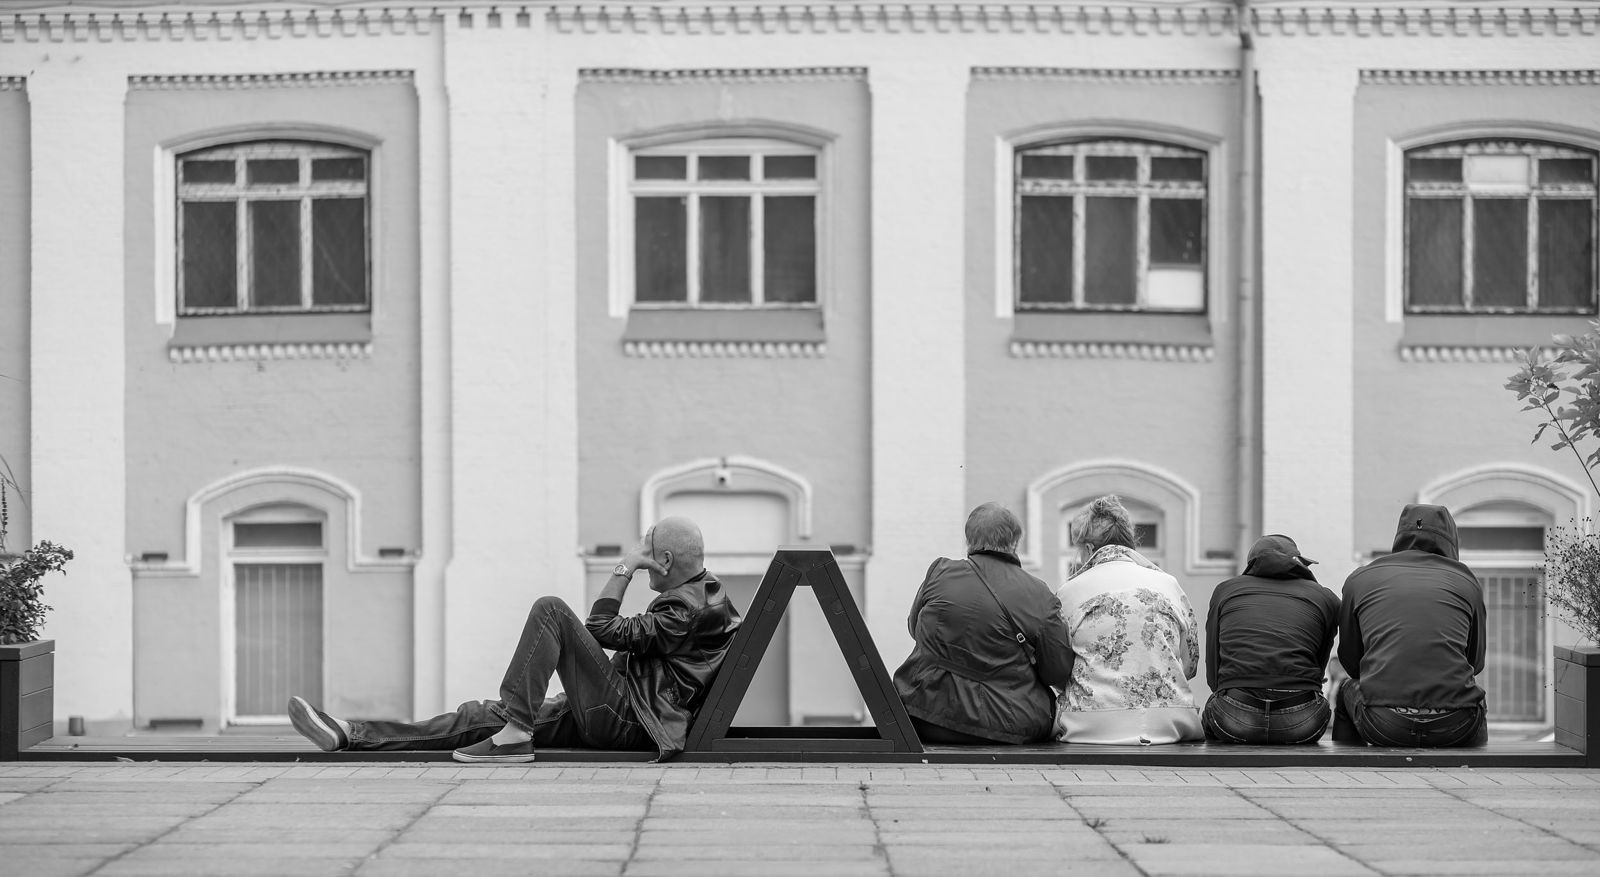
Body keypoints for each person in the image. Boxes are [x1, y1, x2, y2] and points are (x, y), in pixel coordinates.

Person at [286, 516, 741, 763]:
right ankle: (349, 733)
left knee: (551, 609)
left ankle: (516, 733)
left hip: (628, 718)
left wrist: (625, 566)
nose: (640, 558)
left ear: (664, 559)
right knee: (478, 717)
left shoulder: (687, 609)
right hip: (627, 707)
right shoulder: (701, 599)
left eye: (647, 551)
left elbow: (601, 628)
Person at [893, 503, 1076, 745]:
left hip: (922, 714)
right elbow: (1057, 671)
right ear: (1014, 542)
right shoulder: (1039, 594)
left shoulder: (940, 572)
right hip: (1005, 726)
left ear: (969, 540)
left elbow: (914, 628)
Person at [1333, 503, 1487, 748]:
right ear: (1451, 540)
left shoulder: (1360, 578)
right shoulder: (1466, 581)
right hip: (1457, 724)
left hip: (1383, 723)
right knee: (1475, 698)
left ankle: (1346, 765)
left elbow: (1352, 662)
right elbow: (1475, 663)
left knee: (1345, 689)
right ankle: (1476, 766)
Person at [1054, 495, 1203, 744]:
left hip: (1090, 725)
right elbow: (1190, 665)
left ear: (1088, 549)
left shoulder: (1069, 592)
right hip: (1170, 723)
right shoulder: (1169, 585)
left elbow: (1058, 667)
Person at [1202, 534, 1340, 745]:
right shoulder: (1325, 598)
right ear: (1297, 562)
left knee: (1211, 714)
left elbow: (1213, 669)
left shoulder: (1225, 590)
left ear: (1252, 564)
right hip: (1303, 721)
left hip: (1233, 716)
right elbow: (1319, 667)